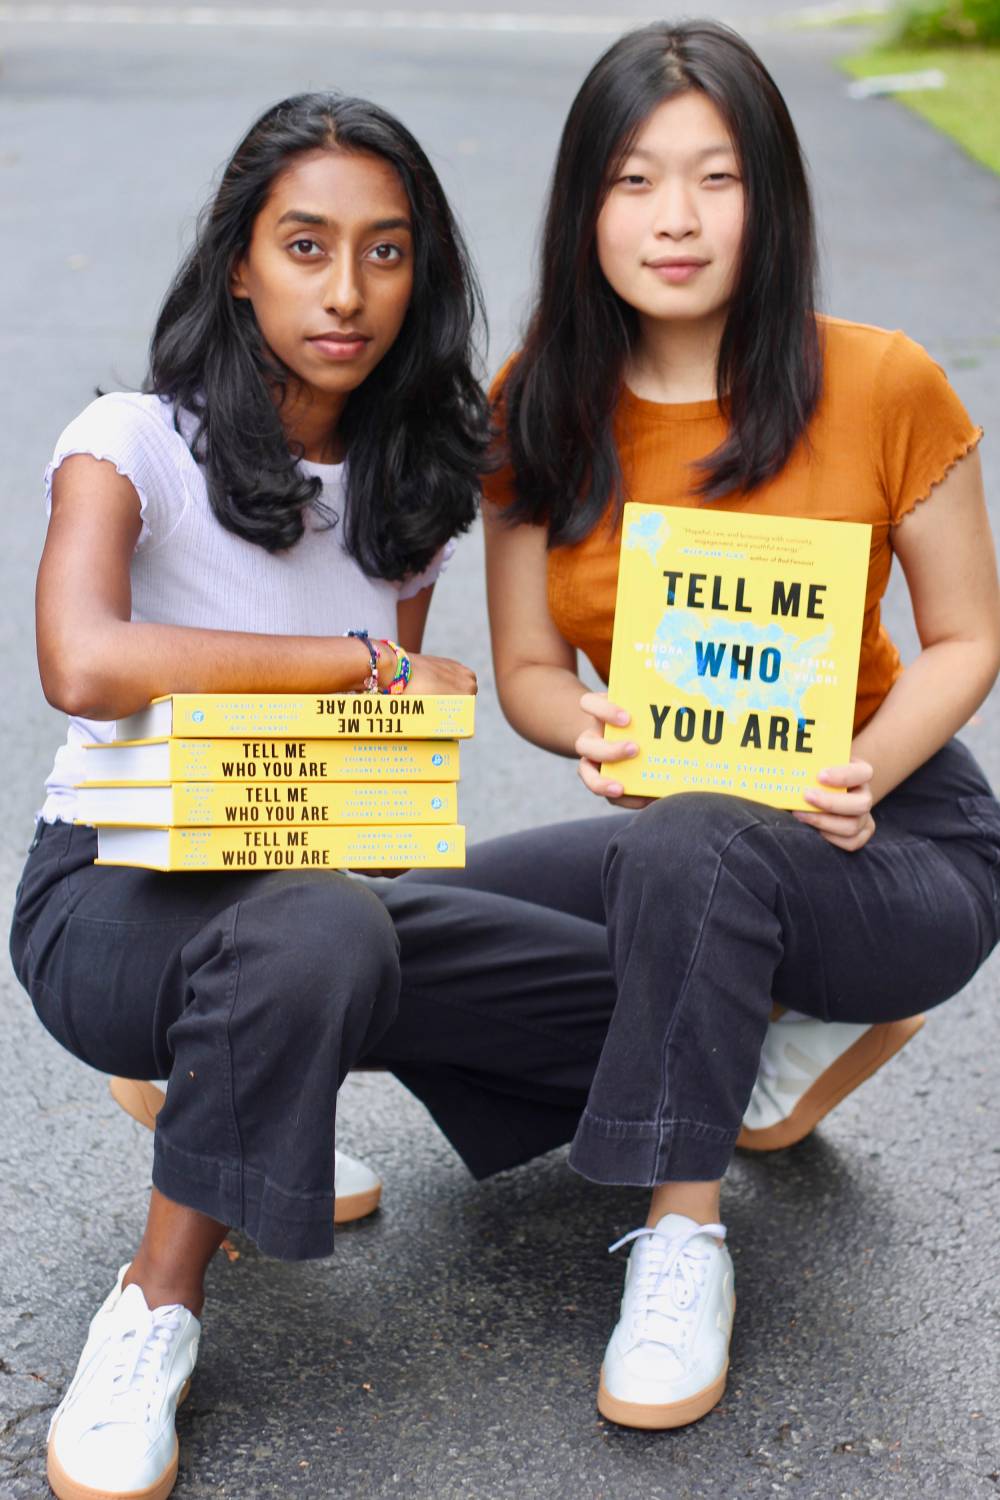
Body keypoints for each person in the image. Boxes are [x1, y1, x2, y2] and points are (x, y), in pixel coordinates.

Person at [479, 20, 1000, 1431]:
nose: (678, 218)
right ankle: (249, 1086)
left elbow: (970, 639)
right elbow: (528, 664)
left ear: (769, 198)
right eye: (637, 180)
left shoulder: (883, 383)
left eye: (716, 178)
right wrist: (578, 730)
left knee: (698, 847)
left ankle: (681, 1228)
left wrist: (867, 771)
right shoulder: (536, 408)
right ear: (586, 201)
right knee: (430, 910)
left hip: (893, 836)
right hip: (678, 839)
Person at [8, 91, 502, 1500]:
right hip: (112, 898)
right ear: (240, 262)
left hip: (317, 885)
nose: (346, 291)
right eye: (304, 245)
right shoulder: (130, 441)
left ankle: (241, 1087)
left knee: (599, 969)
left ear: (424, 274)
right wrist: (352, 660)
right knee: (322, 935)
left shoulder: (416, 481)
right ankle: (156, 1306)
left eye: (386, 252)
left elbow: (375, 754)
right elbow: (83, 664)